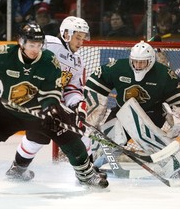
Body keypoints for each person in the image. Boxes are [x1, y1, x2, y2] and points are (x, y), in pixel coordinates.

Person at [0, 23, 109, 192]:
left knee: (74, 142)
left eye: (38, 45)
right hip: (9, 111)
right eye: (31, 45)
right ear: (21, 42)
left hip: (41, 113)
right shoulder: (4, 53)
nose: (35, 50)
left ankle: (87, 176)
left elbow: (52, 91)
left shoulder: (49, 61)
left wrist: (50, 107)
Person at [6, 16, 107, 180]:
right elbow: (24, 52)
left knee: (76, 133)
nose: (81, 42)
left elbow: (72, 89)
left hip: (54, 104)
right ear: (66, 34)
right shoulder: (50, 44)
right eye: (78, 37)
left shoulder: (77, 62)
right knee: (38, 137)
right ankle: (17, 170)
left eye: (83, 38)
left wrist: (77, 104)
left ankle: (87, 172)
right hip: (36, 100)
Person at [84, 40, 180, 178]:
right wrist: (93, 109)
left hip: (151, 114)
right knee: (106, 141)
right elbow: (96, 82)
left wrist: (179, 116)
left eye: (142, 62)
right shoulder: (119, 67)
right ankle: (92, 165)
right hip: (121, 111)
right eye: (135, 61)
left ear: (150, 61)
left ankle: (173, 162)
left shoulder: (163, 74)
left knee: (145, 135)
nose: (138, 65)